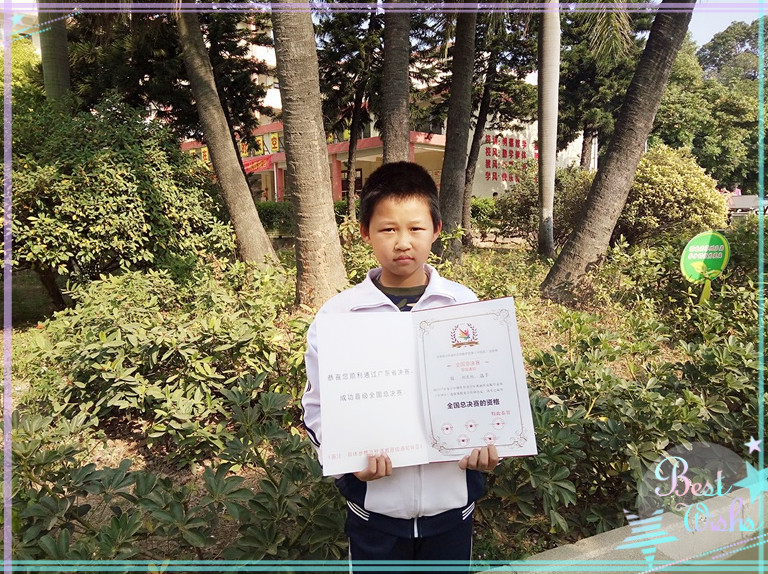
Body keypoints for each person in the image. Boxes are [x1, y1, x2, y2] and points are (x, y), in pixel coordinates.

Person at [302, 161, 499, 573]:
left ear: (437, 230)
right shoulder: (339, 316)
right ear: (365, 232)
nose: (403, 242)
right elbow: (317, 408)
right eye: (388, 229)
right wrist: (346, 461)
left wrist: (491, 443)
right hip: (375, 514)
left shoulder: (465, 306)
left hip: (451, 509)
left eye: (416, 228)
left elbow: (490, 389)